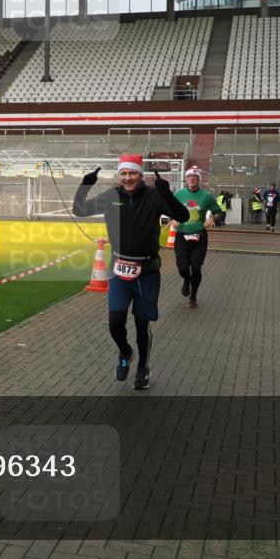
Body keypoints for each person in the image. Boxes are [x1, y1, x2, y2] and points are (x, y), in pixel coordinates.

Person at [73, 154, 189, 390]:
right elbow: (80, 210)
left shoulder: (154, 196)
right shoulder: (111, 196)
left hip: (146, 272)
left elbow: (183, 217)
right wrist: (85, 184)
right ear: (119, 175)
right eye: (124, 173)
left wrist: (166, 193)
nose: (128, 178)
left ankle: (143, 367)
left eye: (132, 173)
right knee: (115, 323)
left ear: (140, 175)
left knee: (141, 324)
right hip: (119, 271)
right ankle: (125, 352)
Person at [170, 166, 223, 309]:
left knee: (196, 267)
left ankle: (193, 296)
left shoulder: (206, 197)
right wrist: (173, 219)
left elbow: (219, 212)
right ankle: (186, 280)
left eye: (195, 177)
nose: (192, 179)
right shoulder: (179, 194)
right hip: (182, 235)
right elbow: (170, 210)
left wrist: (213, 218)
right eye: (189, 177)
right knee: (182, 268)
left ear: (199, 179)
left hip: (199, 236)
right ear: (186, 179)